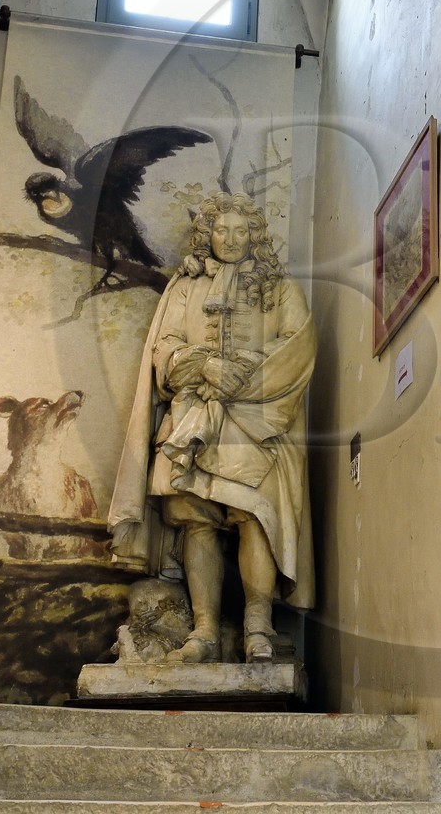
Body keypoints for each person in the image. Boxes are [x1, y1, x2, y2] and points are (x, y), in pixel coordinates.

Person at [109, 192, 316, 663]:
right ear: (208, 234)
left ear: (255, 235)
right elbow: (164, 347)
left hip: (258, 422)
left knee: (256, 516)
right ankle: (203, 632)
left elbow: (298, 347)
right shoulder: (185, 286)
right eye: (222, 230)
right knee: (196, 520)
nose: (231, 239)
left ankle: (258, 627)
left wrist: (243, 372)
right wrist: (203, 366)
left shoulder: (280, 287)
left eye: (241, 231)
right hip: (193, 420)